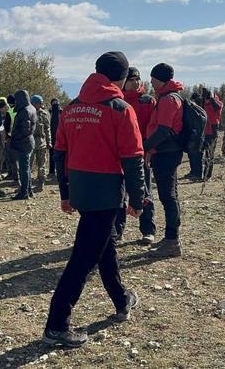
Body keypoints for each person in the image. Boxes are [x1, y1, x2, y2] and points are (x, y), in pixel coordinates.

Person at [44, 51, 145, 348]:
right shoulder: (120, 108)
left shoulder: (71, 107)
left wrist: (65, 193)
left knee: (105, 246)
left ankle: (122, 299)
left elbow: (59, 152)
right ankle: (56, 324)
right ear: (123, 77)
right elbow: (133, 158)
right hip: (106, 193)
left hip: (80, 189)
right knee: (83, 259)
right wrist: (138, 199)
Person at [143, 62, 185, 258]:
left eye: (153, 80)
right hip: (168, 151)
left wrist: (146, 147)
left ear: (160, 79)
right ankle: (170, 237)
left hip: (166, 153)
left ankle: (172, 241)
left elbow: (163, 129)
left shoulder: (168, 99)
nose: (151, 83)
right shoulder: (170, 96)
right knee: (170, 195)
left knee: (168, 196)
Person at [114, 67, 157, 245]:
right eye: (132, 79)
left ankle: (148, 230)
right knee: (119, 194)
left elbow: (153, 126)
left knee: (144, 191)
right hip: (120, 155)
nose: (136, 82)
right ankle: (117, 231)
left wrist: (150, 149)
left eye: (138, 79)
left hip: (141, 154)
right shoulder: (117, 102)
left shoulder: (148, 101)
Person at [10, 90, 37, 200]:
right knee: (26, 168)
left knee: (24, 169)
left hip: (23, 143)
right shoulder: (31, 108)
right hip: (28, 142)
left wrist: (14, 137)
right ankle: (29, 190)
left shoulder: (25, 111)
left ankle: (24, 192)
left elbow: (25, 130)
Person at [201, 87, 223, 180]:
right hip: (205, 129)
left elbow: (217, 107)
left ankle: (208, 175)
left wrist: (211, 98)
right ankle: (200, 173)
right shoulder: (205, 102)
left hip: (213, 129)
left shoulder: (218, 103)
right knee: (203, 152)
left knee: (210, 153)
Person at [30, 94, 51, 192]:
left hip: (41, 143)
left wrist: (49, 142)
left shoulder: (44, 114)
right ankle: (27, 184)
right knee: (28, 165)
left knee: (41, 165)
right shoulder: (29, 112)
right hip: (31, 143)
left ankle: (40, 184)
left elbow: (47, 129)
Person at [184, 92, 203, 181]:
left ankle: (197, 174)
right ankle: (194, 172)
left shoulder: (196, 110)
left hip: (196, 136)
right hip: (197, 136)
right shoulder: (199, 109)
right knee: (194, 155)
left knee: (196, 156)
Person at [48, 98, 62, 178]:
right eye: (54, 103)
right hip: (51, 136)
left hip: (60, 137)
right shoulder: (49, 112)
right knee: (51, 155)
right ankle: (52, 171)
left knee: (60, 155)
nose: (55, 104)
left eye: (57, 103)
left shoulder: (62, 112)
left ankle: (60, 171)